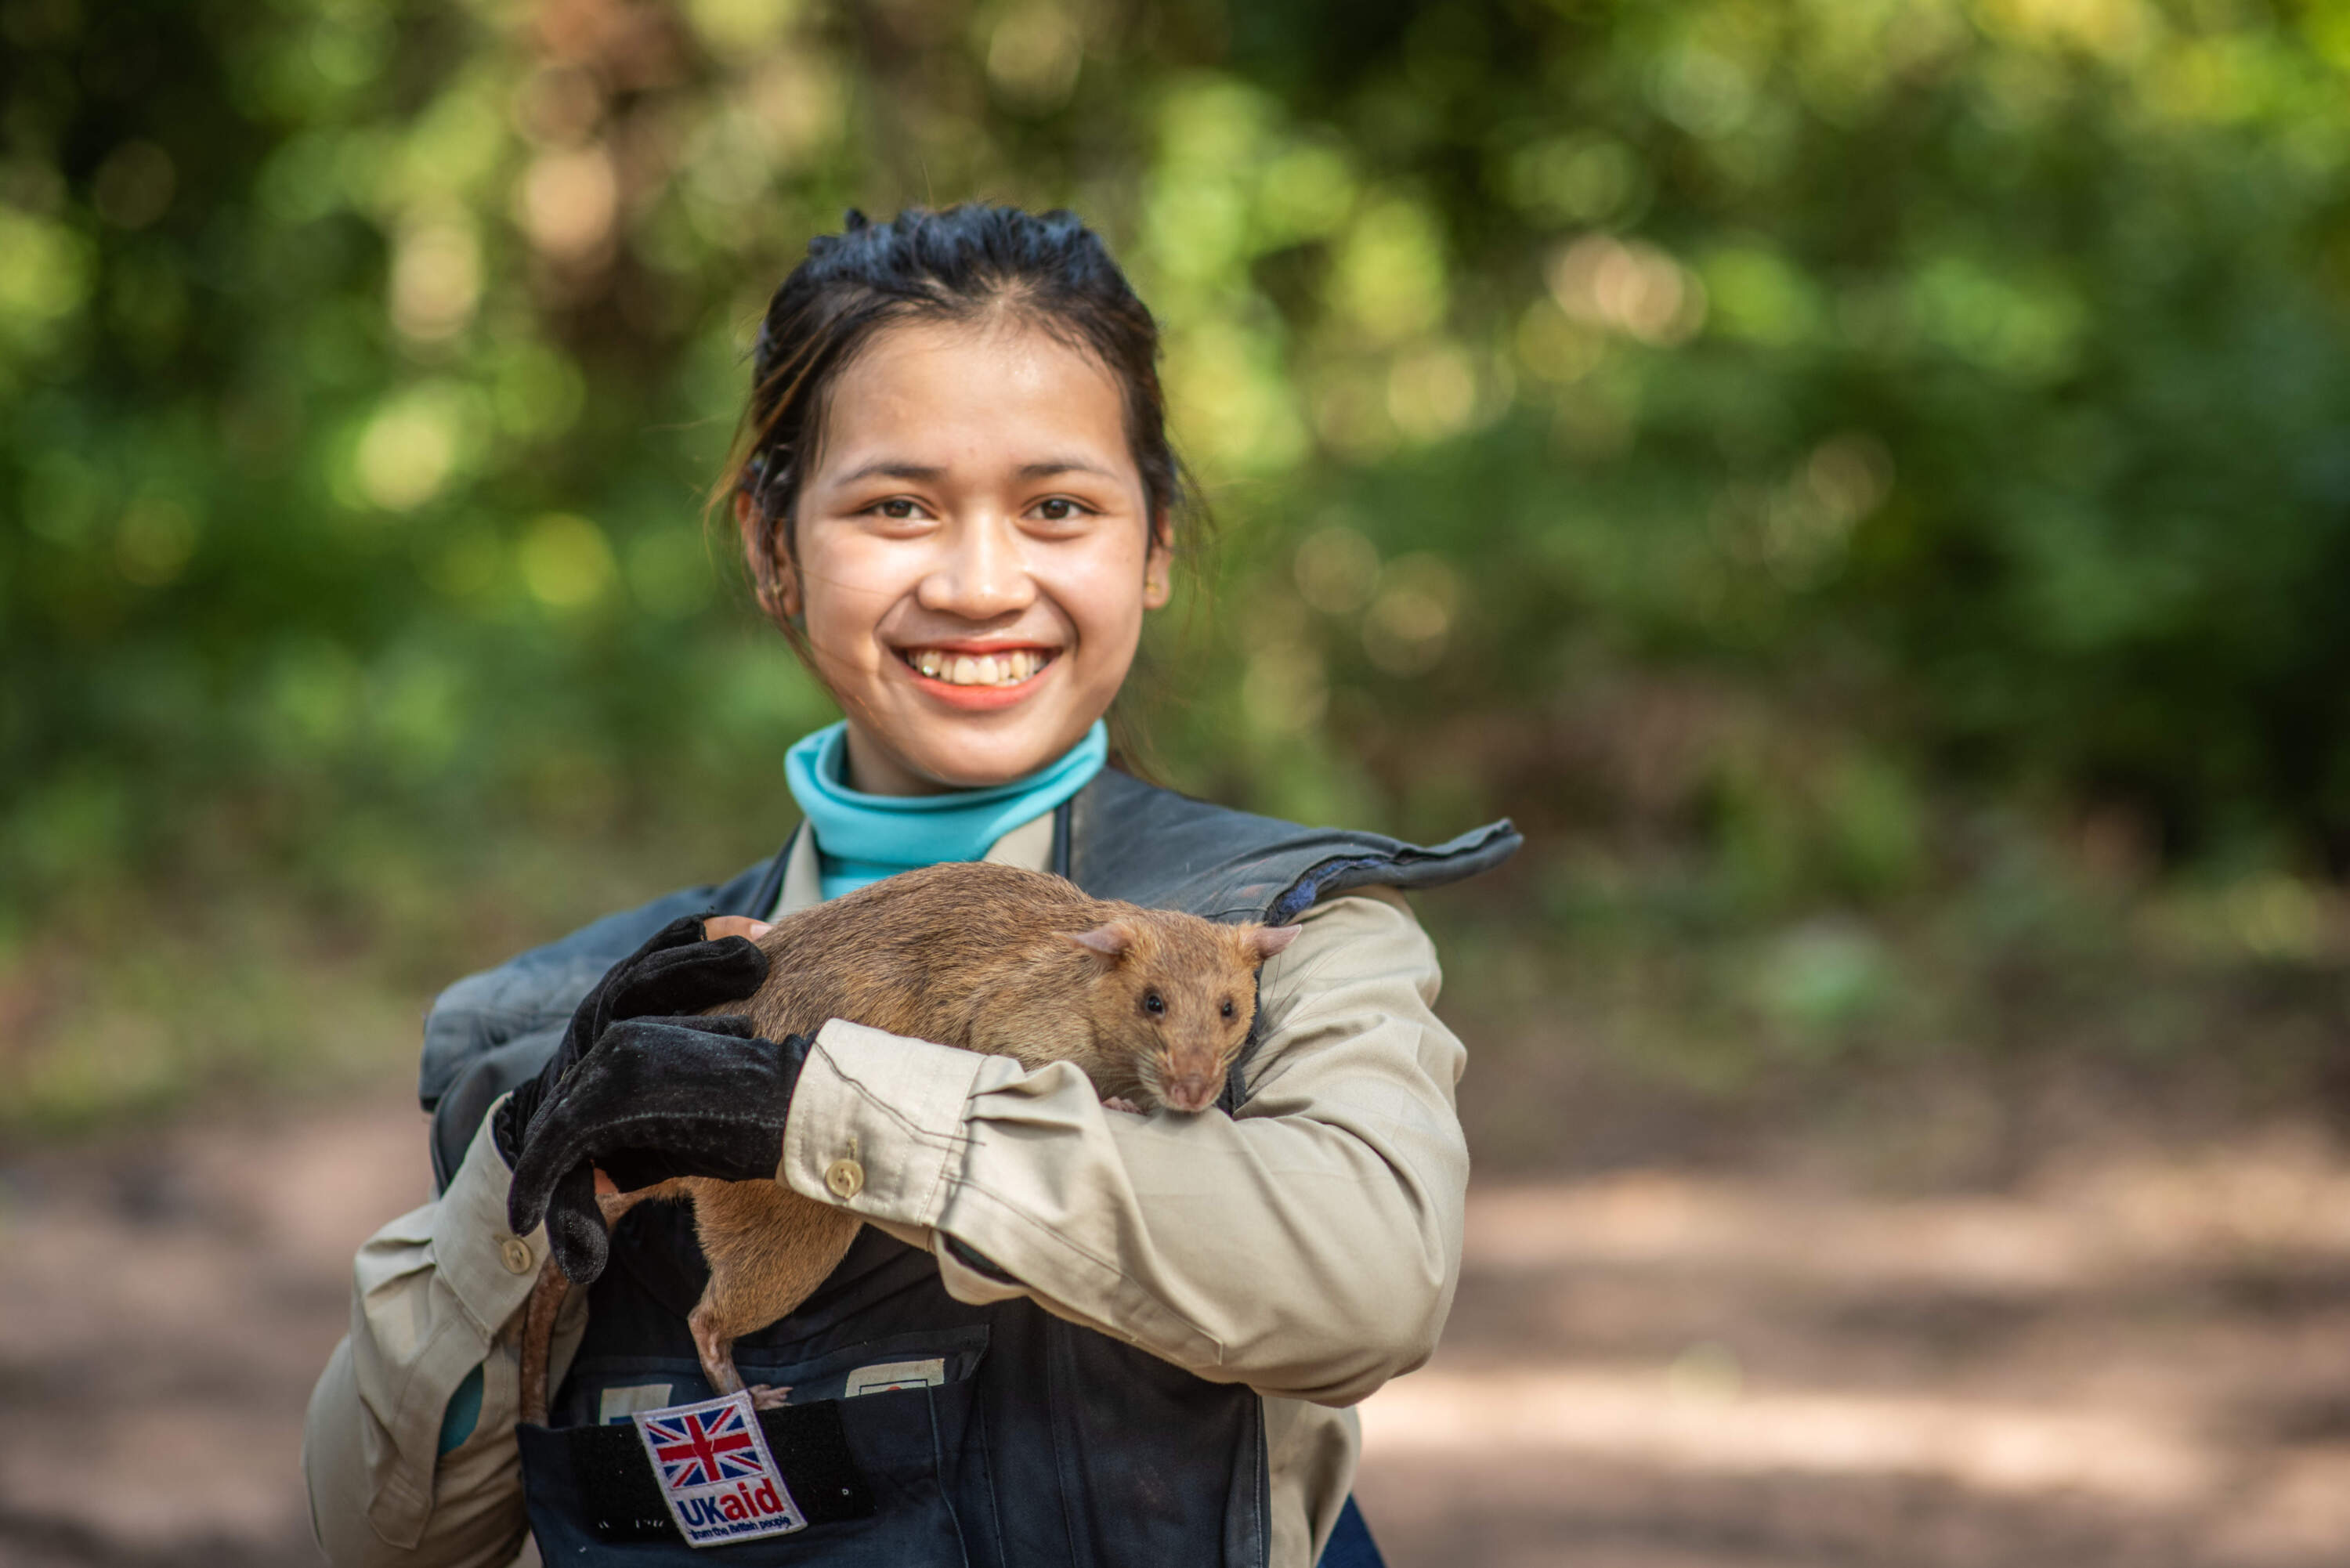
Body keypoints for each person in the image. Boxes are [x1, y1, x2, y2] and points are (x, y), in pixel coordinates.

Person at [302, 204, 1517, 1568]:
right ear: (773, 544)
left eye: (1058, 507)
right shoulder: (565, 1012)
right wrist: (531, 1171)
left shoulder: (1286, 927)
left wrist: (826, 1116)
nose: (982, 582)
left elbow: (1371, 1285)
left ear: (1156, 541)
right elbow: (378, 1533)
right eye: (896, 507)